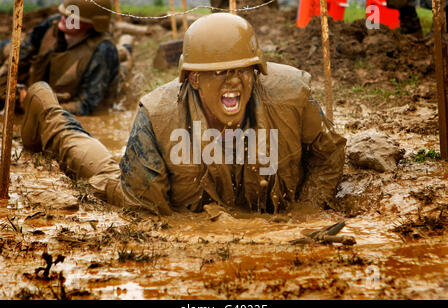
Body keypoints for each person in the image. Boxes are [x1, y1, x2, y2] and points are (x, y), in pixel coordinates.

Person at [20, 13, 346, 216]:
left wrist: (309, 211)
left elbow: (328, 152)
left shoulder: (291, 96)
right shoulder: (159, 117)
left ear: (257, 72)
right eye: (218, 73)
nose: (233, 80)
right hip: (143, 187)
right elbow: (147, 214)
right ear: (193, 78)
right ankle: (46, 106)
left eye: (242, 70)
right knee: (103, 170)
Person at [0, 0, 125, 115]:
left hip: (63, 102)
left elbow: (87, 106)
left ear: (93, 24)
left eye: (73, 17)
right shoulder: (52, 24)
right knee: (6, 48)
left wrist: (41, 105)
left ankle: (125, 48)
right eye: (64, 13)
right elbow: (19, 58)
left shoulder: (103, 51)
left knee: (123, 56)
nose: (64, 18)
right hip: (43, 92)